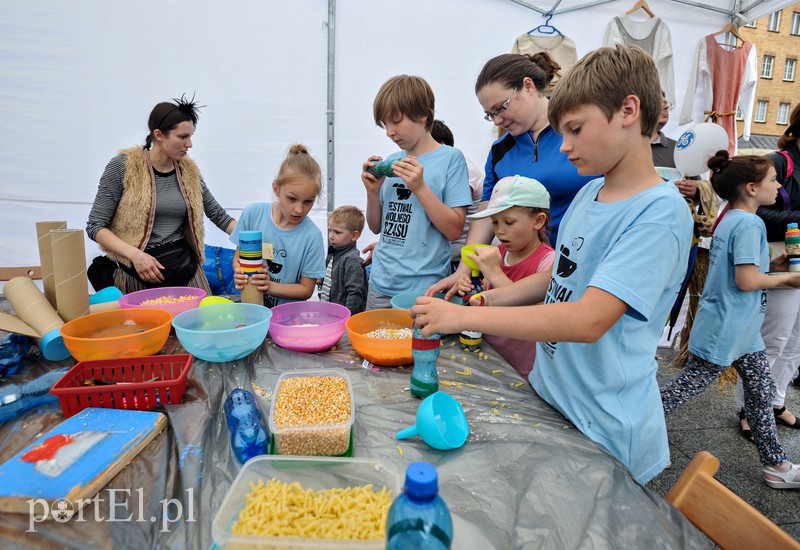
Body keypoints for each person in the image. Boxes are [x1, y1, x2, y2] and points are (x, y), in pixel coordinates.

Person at [412, 45, 693, 484]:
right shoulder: (587, 193)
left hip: (603, 425)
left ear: (628, 110)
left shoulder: (658, 212)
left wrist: (464, 315)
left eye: (576, 130)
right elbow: (558, 281)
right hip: (554, 396)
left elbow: (587, 320)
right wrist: (484, 298)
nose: (565, 146)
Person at [660, 150, 800, 489]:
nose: (778, 185)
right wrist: (788, 280)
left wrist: (773, 268)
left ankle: (776, 464)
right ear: (751, 188)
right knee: (683, 390)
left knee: (760, 393)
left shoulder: (732, 217)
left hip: (740, 327)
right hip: (728, 327)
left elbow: (743, 272)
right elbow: (747, 282)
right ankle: (625, 422)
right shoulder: (751, 223)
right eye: (772, 180)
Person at [428, 52, 595, 299]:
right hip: (520, 274)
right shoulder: (500, 150)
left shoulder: (577, 132)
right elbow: (486, 215)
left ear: (528, 86)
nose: (497, 119)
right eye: (489, 114)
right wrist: (464, 269)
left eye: (501, 108)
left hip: (583, 270)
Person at [86, 95, 236, 294]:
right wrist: (136, 256)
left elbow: (218, 215)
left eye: (191, 136)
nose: (189, 144)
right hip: (137, 270)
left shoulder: (189, 170)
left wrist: (256, 239)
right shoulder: (123, 167)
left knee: (199, 323)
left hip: (184, 268)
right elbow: (96, 226)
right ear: (159, 134)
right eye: (182, 137)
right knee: (151, 324)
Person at [361, 75, 472, 310]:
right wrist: (372, 192)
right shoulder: (392, 161)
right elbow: (376, 227)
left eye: (396, 121)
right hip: (381, 284)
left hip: (425, 288)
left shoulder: (451, 159)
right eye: (385, 125)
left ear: (423, 115)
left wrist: (420, 187)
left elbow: (454, 230)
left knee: (420, 346)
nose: (390, 132)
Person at [737, 103, 800, 435]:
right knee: (773, 337)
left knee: (797, 340)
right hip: (779, 260)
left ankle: (775, 400)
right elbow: (751, 211)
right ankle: (751, 407)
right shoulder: (778, 162)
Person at [456, 175, 554, 377]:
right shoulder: (498, 253)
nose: (500, 231)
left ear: (538, 220)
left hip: (525, 367)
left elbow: (540, 316)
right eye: (494, 222)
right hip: (490, 355)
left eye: (509, 222)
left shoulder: (549, 262)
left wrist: (494, 272)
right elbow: (488, 295)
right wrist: (471, 285)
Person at [230, 144, 326, 307]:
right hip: (252, 308)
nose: (299, 209)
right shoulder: (253, 214)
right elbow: (239, 258)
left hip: (288, 317)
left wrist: (269, 286)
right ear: (276, 188)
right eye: (292, 198)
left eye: (308, 201)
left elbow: (306, 289)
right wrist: (239, 272)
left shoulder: (312, 236)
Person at [430, 119, 484, 272]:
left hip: (461, 261)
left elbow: (442, 215)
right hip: (444, 257)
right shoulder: (442, 168)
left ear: (441, 145)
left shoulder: (465, 168)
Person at [317, 205, 368, 314]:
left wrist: (347, 317)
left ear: (354, 235)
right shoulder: (333, 253)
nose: (331, 236)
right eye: (330, 230)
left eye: (337, 232)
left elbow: (355, 293)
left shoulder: (352, 260)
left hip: (343, 319)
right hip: (329, 313)